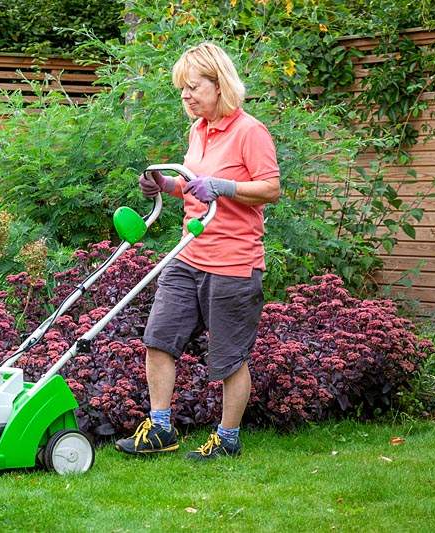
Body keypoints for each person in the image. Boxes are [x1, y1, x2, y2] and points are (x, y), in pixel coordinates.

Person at [115, 42, 280, 460]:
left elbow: (270, 189)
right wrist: (165, 185)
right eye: (182, 89)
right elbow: (194, 186)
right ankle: (161, 429)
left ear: (219, 84)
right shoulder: (198, 130)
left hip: (234, 263)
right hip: (188, 255)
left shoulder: (249, 132)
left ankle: (227, 439)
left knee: (227, 358)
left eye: (192, 87)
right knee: (158, 339)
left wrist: (223, 188)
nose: (185, 96)